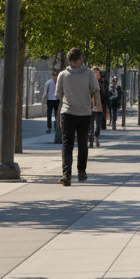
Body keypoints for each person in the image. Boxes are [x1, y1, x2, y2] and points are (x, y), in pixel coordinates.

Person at [58, 48, 100, 186]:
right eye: (71, 62)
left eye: (75, 62)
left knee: (82, 143)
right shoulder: (63, 75)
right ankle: (66, 174)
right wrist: (58, 115)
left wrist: (98, 104)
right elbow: (59, 95)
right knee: (67, 144)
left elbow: (95, 89)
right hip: (67, 113)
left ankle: (81, 170)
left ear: (81, 60)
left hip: (84, 114)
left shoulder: (88, 74)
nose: (73, 64)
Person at [90, 67, 106, 147]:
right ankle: (91, 141)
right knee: (91, 125)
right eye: (96, 72)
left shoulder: (101, 83)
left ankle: (96, 137)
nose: (98, 74)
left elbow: (104, 96)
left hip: (99, 108)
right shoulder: (88, 83)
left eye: (98, 73)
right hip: (90, 107)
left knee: (98, 125)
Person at [43, 67, 59, 132]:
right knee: (49, 114)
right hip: (50, 100)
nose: (54, 75)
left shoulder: (59, 82)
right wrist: (44, 100)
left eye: (55, 74)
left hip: (56, 100)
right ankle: (49, 127)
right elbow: (45, 92)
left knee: (56, 115)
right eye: (53, 74)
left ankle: (56, 127)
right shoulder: (49, 82)